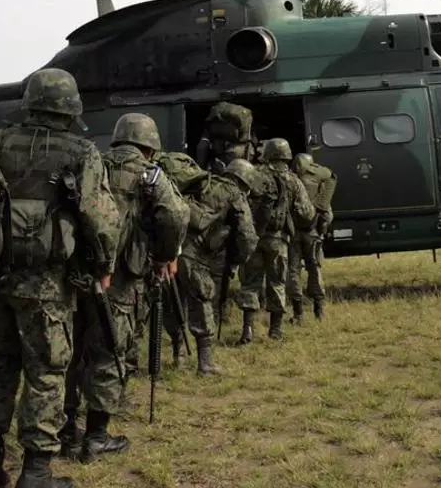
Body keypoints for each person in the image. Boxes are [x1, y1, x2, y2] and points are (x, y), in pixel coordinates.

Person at [0, 67, 120, 488]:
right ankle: (36, 475)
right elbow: (101, 218)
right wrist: (104, 266)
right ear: (71, 108)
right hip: (47, 285)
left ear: (30, 103)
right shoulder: (82, 151)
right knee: (46, 373)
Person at [60, 112, 187, 462]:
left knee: (73, 351)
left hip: (78, 275)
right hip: (122, 278)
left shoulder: (91, 165)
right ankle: (96, 437)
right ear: (150, 145)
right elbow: (175, 216)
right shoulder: (150, 175)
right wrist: (163, 256)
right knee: (110, 349)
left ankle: (66, 431)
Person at [156, 151, 256, 374]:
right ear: (245, 182)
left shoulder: (202, 182)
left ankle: (179, 356)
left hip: (172, 250)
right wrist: (236, 260)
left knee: (175, 302)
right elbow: (247, 237)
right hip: (196, 255)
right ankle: (206, 363)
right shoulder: (235, 194)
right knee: (202, 300)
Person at [237, 138, 314, 343]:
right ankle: (276, 330)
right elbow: (307, 213)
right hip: (278, 240)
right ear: (287, 156)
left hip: (253, 238)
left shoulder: (254, 175)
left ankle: (247, 331)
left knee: (250, 283)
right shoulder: (293, 180)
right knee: (277, 282)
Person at [288, 152, 337, 322]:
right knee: (315, 269)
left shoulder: (290, 182)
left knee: (293, 271)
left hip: (293, 234)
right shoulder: (318, 186)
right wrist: (322, 229)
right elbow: (327, 215)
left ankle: (298, 313)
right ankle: (319, 310)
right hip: (313, 233)